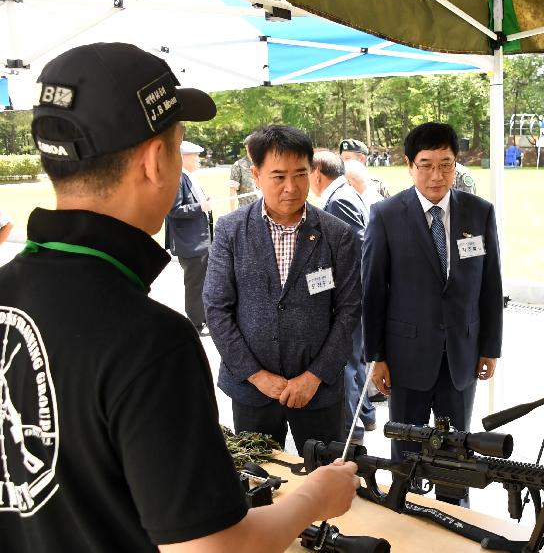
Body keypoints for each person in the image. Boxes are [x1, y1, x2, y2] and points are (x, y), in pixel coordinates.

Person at [0, 41, 357, 553]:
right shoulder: (150, 341)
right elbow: (212, 548)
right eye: (178, 142)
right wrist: (314, 498)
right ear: (154, 160)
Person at [362, 122, 503, 505]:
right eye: (426, 164)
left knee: (457, 449)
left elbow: (490, 284)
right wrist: (376, 356)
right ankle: (404, 511)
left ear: (457, 165)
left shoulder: (479, 212)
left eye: (446, 164)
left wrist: (490, 346)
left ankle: (455, 513)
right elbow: (372, 291)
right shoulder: (386, 215)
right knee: (406, 448)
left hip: (463, 354)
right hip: (406, 357)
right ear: (409, 165)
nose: (436, 175)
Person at [205, 125, 362, 455]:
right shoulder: (231, 230)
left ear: (312, 172)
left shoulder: (337, 234)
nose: (291, 187)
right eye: (278, 176)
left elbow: (348, 311)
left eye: (300, 174)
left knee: (325, 482)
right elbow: (217, 309)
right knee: (261, 481)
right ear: (256, 175)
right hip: (253, 391)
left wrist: (314, 376)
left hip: (318, 392)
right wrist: (257, 375)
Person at [308, 150, 375, 445]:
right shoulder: (344, 194)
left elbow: (358, 249)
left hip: (351, 295)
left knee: (345, 363)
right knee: (354, 359)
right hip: (356, 294)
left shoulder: (339, 201)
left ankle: (352, 429)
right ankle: (367, 415)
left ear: (318, 173)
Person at [165, 140, 211, 335]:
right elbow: (173, 209)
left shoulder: (189, 177)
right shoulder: (178, 178)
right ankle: (195, 323)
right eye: (195, 156)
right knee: (195, 284)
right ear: (182, 158)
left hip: (199, 240)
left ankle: (203, 317)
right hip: (190, 243)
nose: (199, 160)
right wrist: (200, 207)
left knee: (204, 281)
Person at [229, 133, 258, 210]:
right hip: (246, 211)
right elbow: (232, 191)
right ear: (246, 147)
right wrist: (233, 213)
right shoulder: (238, 165)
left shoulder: (263, 163)